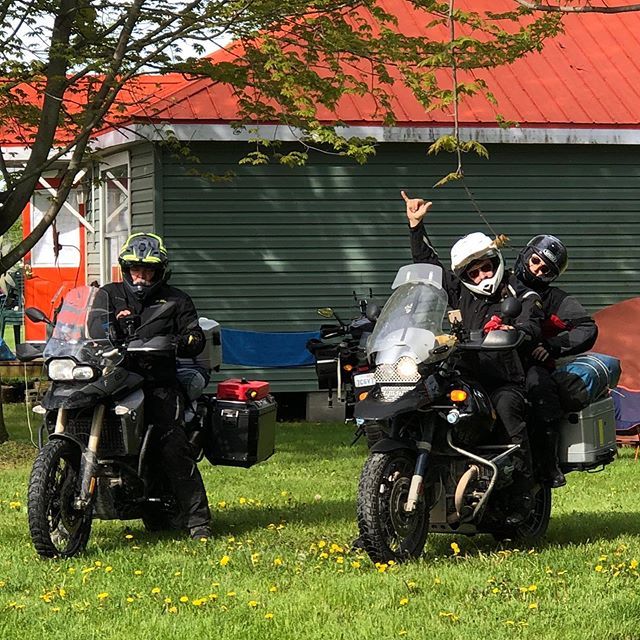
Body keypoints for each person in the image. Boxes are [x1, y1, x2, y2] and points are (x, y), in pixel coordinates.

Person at [402, 191, 544, 525]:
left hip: (504, 378)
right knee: (417, 402)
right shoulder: (460, 290)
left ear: (496, 261)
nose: (481, 275)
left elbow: (531, 323)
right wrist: (415, 226)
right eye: (473, 272)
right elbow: (430, 270)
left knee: (508, 409)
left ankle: (523, 491)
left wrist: (517, 330)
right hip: (463, 374)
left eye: (486, 267)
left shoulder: (520, 292)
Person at [100, 232, 212, 540]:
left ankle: (198, 522)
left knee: (171, 444)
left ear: (160, 271)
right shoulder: (107, 295)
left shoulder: (177, 300)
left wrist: (182, 341)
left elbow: (194, 336)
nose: (141, 275)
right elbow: (83, 324)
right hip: (112, 379)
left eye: (148, 269)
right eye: (135, 268)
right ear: (125, 269)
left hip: (157, 382)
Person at [514, 235, 598, 488]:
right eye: (536, 260)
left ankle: (547, 464)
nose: (537, 269)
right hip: (487, 357)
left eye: (545, 269)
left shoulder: (554, 298)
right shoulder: (498, 280)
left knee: (540, 389)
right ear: (526, 255)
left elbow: (587, 328)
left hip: (528, 362)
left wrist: (552, 346)